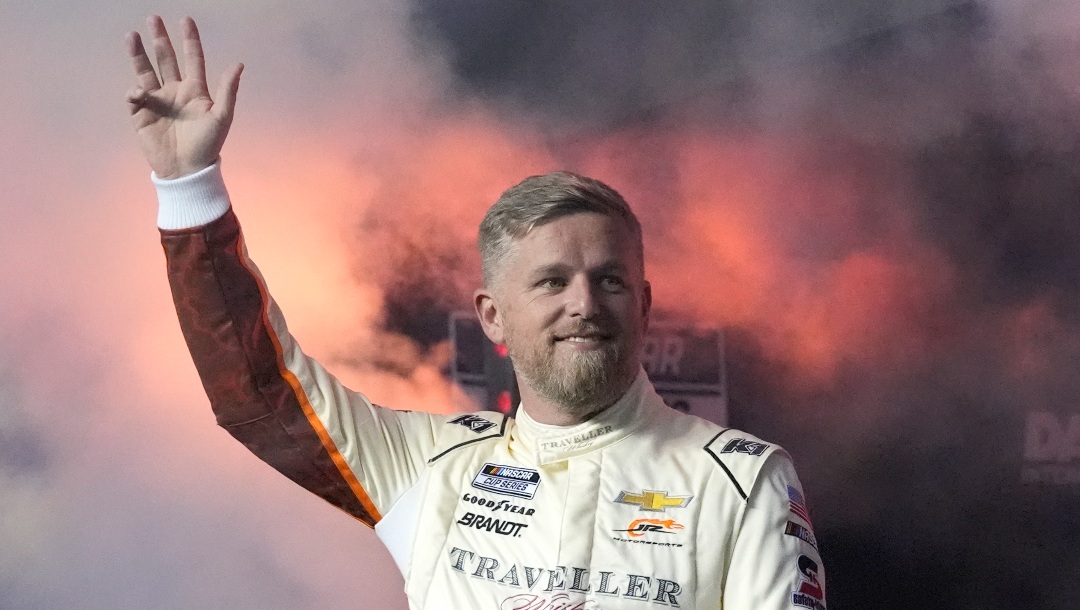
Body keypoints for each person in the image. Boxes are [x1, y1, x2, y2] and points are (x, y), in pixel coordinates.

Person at [126, 16, 827, 610]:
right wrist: (189, 190)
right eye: (551, 283)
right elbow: (260, 396)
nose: (584, 304)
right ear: (492, 316)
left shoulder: (740, 478)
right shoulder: (432, 466)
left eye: (609, 280)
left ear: (643, 304)